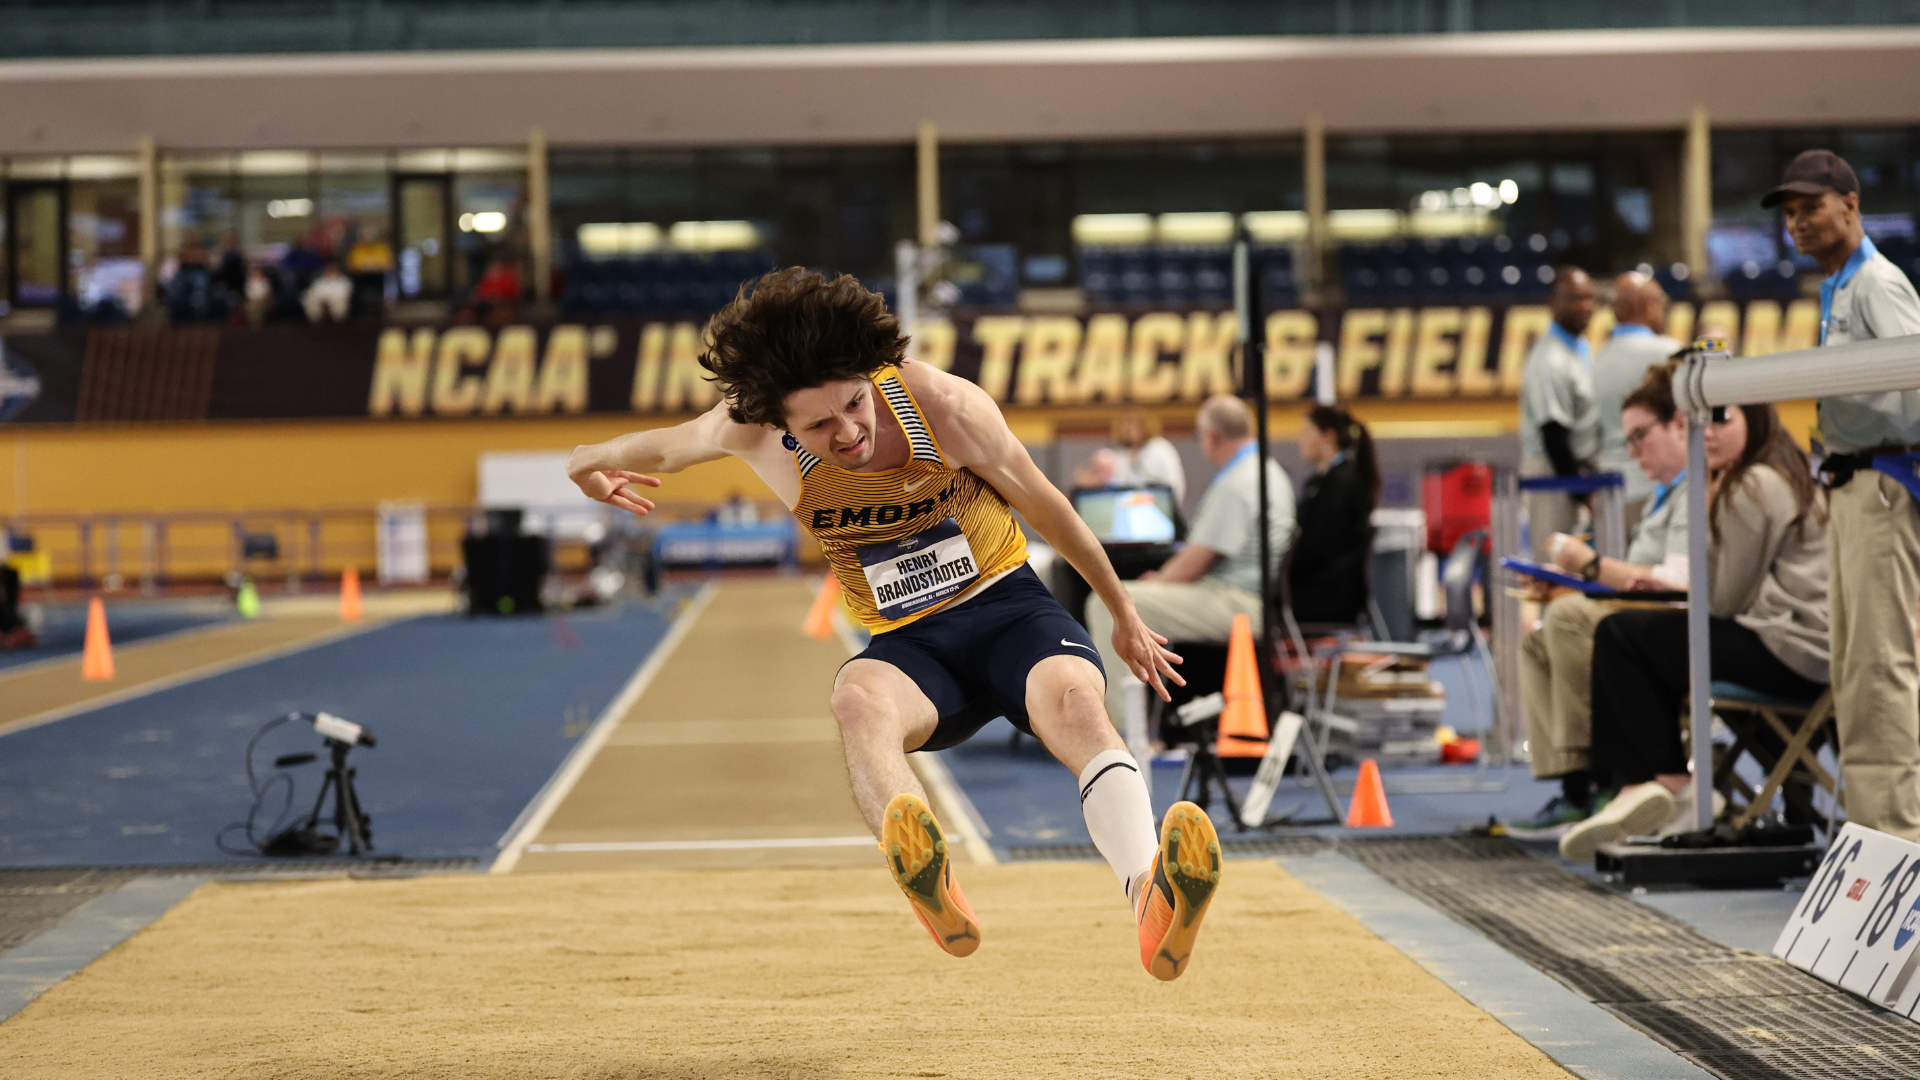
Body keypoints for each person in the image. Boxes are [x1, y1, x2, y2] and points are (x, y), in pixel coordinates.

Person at [566, 269, 1221, 981]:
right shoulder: (746, 431)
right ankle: (923, 866)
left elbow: (1045, 503)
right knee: (857, 700)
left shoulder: (943, 405)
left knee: (1075, 701)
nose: (847, 432)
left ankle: (1149, 894)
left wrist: (1123, 613)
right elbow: (663, 449)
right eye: (819, 425)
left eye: (855, 403)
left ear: (871, 374)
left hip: (1008, 610)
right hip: (913, 645)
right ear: (776, 423)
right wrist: (584, 460)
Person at [1560, 400, 1830, 860]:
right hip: (1804, 648)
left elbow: (1721, 600)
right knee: (1642, 637)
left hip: (1792, 652)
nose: (1707, 432)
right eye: (1702, 421)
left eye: (1723, 419)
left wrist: (1706, 503)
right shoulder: (1783, 474)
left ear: (1757, 419)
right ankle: (1651, 783)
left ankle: (1663, 782)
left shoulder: (1753, 484)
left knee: (1620, 636)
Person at [1771, 149, 1920, 841]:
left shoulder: (1878, 285)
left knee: (1880, 663)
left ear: (1851, 205)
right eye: (1790, 213)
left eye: (1811, 207)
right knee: (1855, 665)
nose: (1798, 222)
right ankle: (1870, 831)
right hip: (1852, 485)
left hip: (1886, 486)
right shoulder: (1839, 288)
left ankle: (1897, 839)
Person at [1508, 361, 1692, 839]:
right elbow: (1635, 579)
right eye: (1626, 440)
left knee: (1568, 617)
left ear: (1680, 425)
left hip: (1670, 626)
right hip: (1640, 618)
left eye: (1640, 436)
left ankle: (1602, 775)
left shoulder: (1696, 491)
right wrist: (1571, 579)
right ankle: (1574, 783)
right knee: (1541, 635)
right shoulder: (1662, 495)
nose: (1633, 452)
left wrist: (1586, 567)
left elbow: (1673, 581)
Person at [1084, 395, 1294, 730]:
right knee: (1129, 597)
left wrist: (1158, 581)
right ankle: (1145, 719)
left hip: (1237, 602)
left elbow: (1194, 562)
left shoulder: (1239, 482)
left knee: (1109, 602)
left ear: (1211, 436)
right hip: (1247, 596)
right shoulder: (1266, 470)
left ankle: (1122, 733)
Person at [1518, 266, 1599, 559]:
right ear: (1553, 302)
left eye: (1590, 298)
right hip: (1553, 473)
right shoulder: (1550, 360)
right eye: (1575, 298)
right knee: (1553, 565)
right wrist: (1582, 491)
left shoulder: (1580, 346)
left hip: (1576, 470)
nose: (1586, 306)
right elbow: (1554, 436)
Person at [1590, 273, 1681, 535]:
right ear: (1650, 306)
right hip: (1655, 490)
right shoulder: (1668, 353)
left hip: (1609, 491)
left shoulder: (1598, 357)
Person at [1287, 404, 1379, 626]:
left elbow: (1318, 548)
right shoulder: (1321, 482)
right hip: (1322, 590)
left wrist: (1280, 575)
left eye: (1307, 432)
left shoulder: (1341, 485)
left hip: (1327, 597)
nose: (1301, 439)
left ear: (1329, 436)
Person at [1074, 410, 1186, 503]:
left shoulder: (1159, 449)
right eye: (1127, 425)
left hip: (1158, 503)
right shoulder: (1121, 455)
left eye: (1136, 424)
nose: (1131, 429)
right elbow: (1112, 481)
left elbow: (1174, 482)